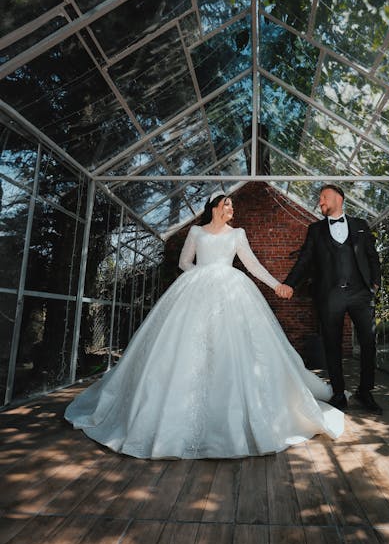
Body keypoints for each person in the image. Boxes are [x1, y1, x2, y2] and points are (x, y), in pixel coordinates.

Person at [65, 190, 344, 459]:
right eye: (227, 204)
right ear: (214, 207)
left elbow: (252, 265)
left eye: (232, 205)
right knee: (187, 346)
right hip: (196, 290)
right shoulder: (196, 233)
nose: (231, 209)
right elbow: (185, 262)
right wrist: (202, 276)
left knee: (232, 346)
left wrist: (276, 285)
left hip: (233, 291)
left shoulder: (238, 234)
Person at [278, 184, 382, 414]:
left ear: (338, 198)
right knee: (331, 345)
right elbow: (304, 260)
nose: (320, 202)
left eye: (323, 197)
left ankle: (366, 391)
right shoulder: (315, 230)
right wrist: (289, 283)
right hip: (330, 295)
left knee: (369, 342)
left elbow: (372, 256)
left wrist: (375, 284)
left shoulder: (360, 226)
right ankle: (338, 393)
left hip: (360, 294)